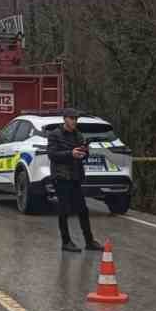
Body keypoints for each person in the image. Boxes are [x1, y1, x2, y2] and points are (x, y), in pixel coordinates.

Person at [48, 108, 102, 253]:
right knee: (64, 210)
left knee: (83, 210)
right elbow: (52, 154)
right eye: (72, 118)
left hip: (75, 176)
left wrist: (83, 152)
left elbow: (84, 154)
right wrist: (70, 153)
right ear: (64, 119)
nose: (74, 121)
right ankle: (66, 242)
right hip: (61, 177)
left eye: (76, 119)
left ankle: (89, 241)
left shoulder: (78, 134)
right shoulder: (55, 135)